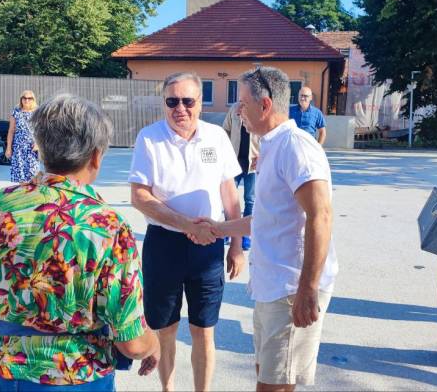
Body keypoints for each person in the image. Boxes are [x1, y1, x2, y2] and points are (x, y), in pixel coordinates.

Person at [0, 96, 160, 392]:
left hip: (7, 375)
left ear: (40, 146)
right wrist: (154, 344)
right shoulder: (108, 226)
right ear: (96, 156)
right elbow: (133, 344)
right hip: (82, 379)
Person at [202, 66, 337, 391]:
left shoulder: (297, 148)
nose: (237, 110)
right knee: (268, 375)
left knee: (274, 386)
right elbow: (267, 217)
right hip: (273, 287)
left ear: (264, 105)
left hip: (291, 289)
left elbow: (321, 217)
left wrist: (307, 288)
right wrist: (218, 229)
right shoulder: (272, 146)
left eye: (243, 102)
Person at [128, 72, 246, 391]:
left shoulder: (216, 137)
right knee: (165, 330)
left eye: (187, 101)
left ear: (199, 103)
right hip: (164, 246)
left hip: (208, 248)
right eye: (172, 101)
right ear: (164, 104)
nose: (180, 108)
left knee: (204, 331)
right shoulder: (149, 138)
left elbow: (230, 195)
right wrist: (185, 225)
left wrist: (237, 245)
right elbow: (139, 195)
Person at [223, 101, 260, 250]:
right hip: (234, 162)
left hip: (252, 163)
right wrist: (225, 150)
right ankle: (227, 230)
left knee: (250, 200)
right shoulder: (234, 108)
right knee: (228, 199)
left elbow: (266, 133)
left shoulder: (258, 108)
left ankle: (246, 234)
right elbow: (225, 129)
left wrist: (262, 153)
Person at [5, 90, 40, 183]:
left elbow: (41, 130)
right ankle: (24, 195)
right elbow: (11, 131)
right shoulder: (16, 112)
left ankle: (33, 195)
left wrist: (38, 144)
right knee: (20, 174)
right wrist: (8, 148)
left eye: (29, 98)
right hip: (18, 148)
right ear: (21, 99)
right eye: (24, 98)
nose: (27, 100)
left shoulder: (38, 112)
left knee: (33, 174)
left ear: (33, 100)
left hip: (32, 148)